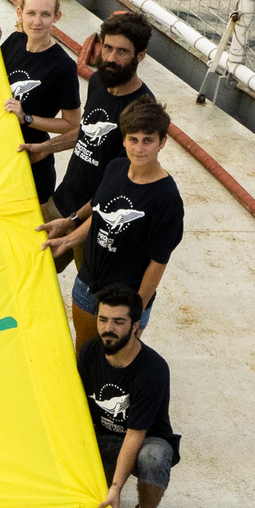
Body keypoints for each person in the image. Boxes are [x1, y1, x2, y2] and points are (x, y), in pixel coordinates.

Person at [47, 98, 183, 345]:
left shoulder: (167, 200)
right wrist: (68, 237)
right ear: (123, 140)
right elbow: (99, 215)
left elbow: (158, 262)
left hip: (124, 303)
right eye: (133, 139)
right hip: (87, 286)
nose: (139, 149)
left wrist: (135, 311)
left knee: (114, 363)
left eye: (148, 140)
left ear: (162, 142)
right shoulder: (116, 168)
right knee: (84, 355)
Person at [77, 282, 179, 508]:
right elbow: (77, 408)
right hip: (102, 437)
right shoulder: (89, 353)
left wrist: (116, 488)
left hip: (143, 438)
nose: (108, 328)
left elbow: (135, 434)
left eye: (119, 322)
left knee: (155, 456)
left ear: (135, 325)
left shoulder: (153, 369)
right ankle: (100, 478)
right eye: (103, 319)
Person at [53, 10, 157, 220]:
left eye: (122, 52)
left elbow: (121, 181)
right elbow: (85, 132)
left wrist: (73, 221)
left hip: (93, 220)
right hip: (63, 199)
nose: (111, 58)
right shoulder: (98, 81)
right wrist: (43, 149)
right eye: (107, 48)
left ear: (140, 55)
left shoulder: (143, 109)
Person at [1, 0, 82, 220]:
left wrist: (26, 118)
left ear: (56, 17)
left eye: (45, 14)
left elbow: (71, 125)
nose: (37, 21)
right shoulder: (13, 42)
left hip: (33, 161)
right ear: (20, 13)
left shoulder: (63, 66)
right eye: (31, 13)